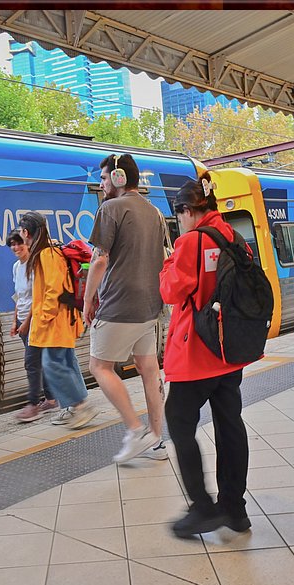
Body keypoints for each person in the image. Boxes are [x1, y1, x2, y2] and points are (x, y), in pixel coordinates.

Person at [159, 176, 252, 538]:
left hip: (196, 350)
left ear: (186, 211)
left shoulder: (191, 241)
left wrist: (168, 263)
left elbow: (170, 290)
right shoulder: (232, 236)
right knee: (230, 423)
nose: (179, 220)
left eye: (179, 213)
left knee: (179, 421)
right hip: (228, 351)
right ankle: (235, 507)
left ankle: (202, 507)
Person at [82, 153, 168, 464]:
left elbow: (100, 259)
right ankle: (157, 440)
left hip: (119, 303)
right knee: (148, 369)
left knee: (99, 367)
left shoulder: (110, 208)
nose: (101, 183)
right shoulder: (155, 211)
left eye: (104, 178)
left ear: (118, 178)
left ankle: (134, 430)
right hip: (149, 306)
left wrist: (88, 300)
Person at [17, 212, 97, 429]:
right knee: (66, 363)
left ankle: (81, 406)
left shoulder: (46, 254)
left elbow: (54, 289)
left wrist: (43, 317)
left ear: (26, 232)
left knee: (52, 365)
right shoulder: (48, 252)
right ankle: (73, 407)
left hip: (56, 322)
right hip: (61, 320)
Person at [7, 229, 58, 421]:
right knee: (39, 361)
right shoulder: (16, 267)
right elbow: (18, 297)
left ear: (28, 243)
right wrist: (15, 321)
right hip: (22, 322)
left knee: (31, 363)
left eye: (19, 242)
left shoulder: (35, 265)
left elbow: (38, 297)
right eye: (12, 244)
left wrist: (27, 323)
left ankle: (33, 404)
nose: (16, 247)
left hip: (34, 321)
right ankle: (52, 399)